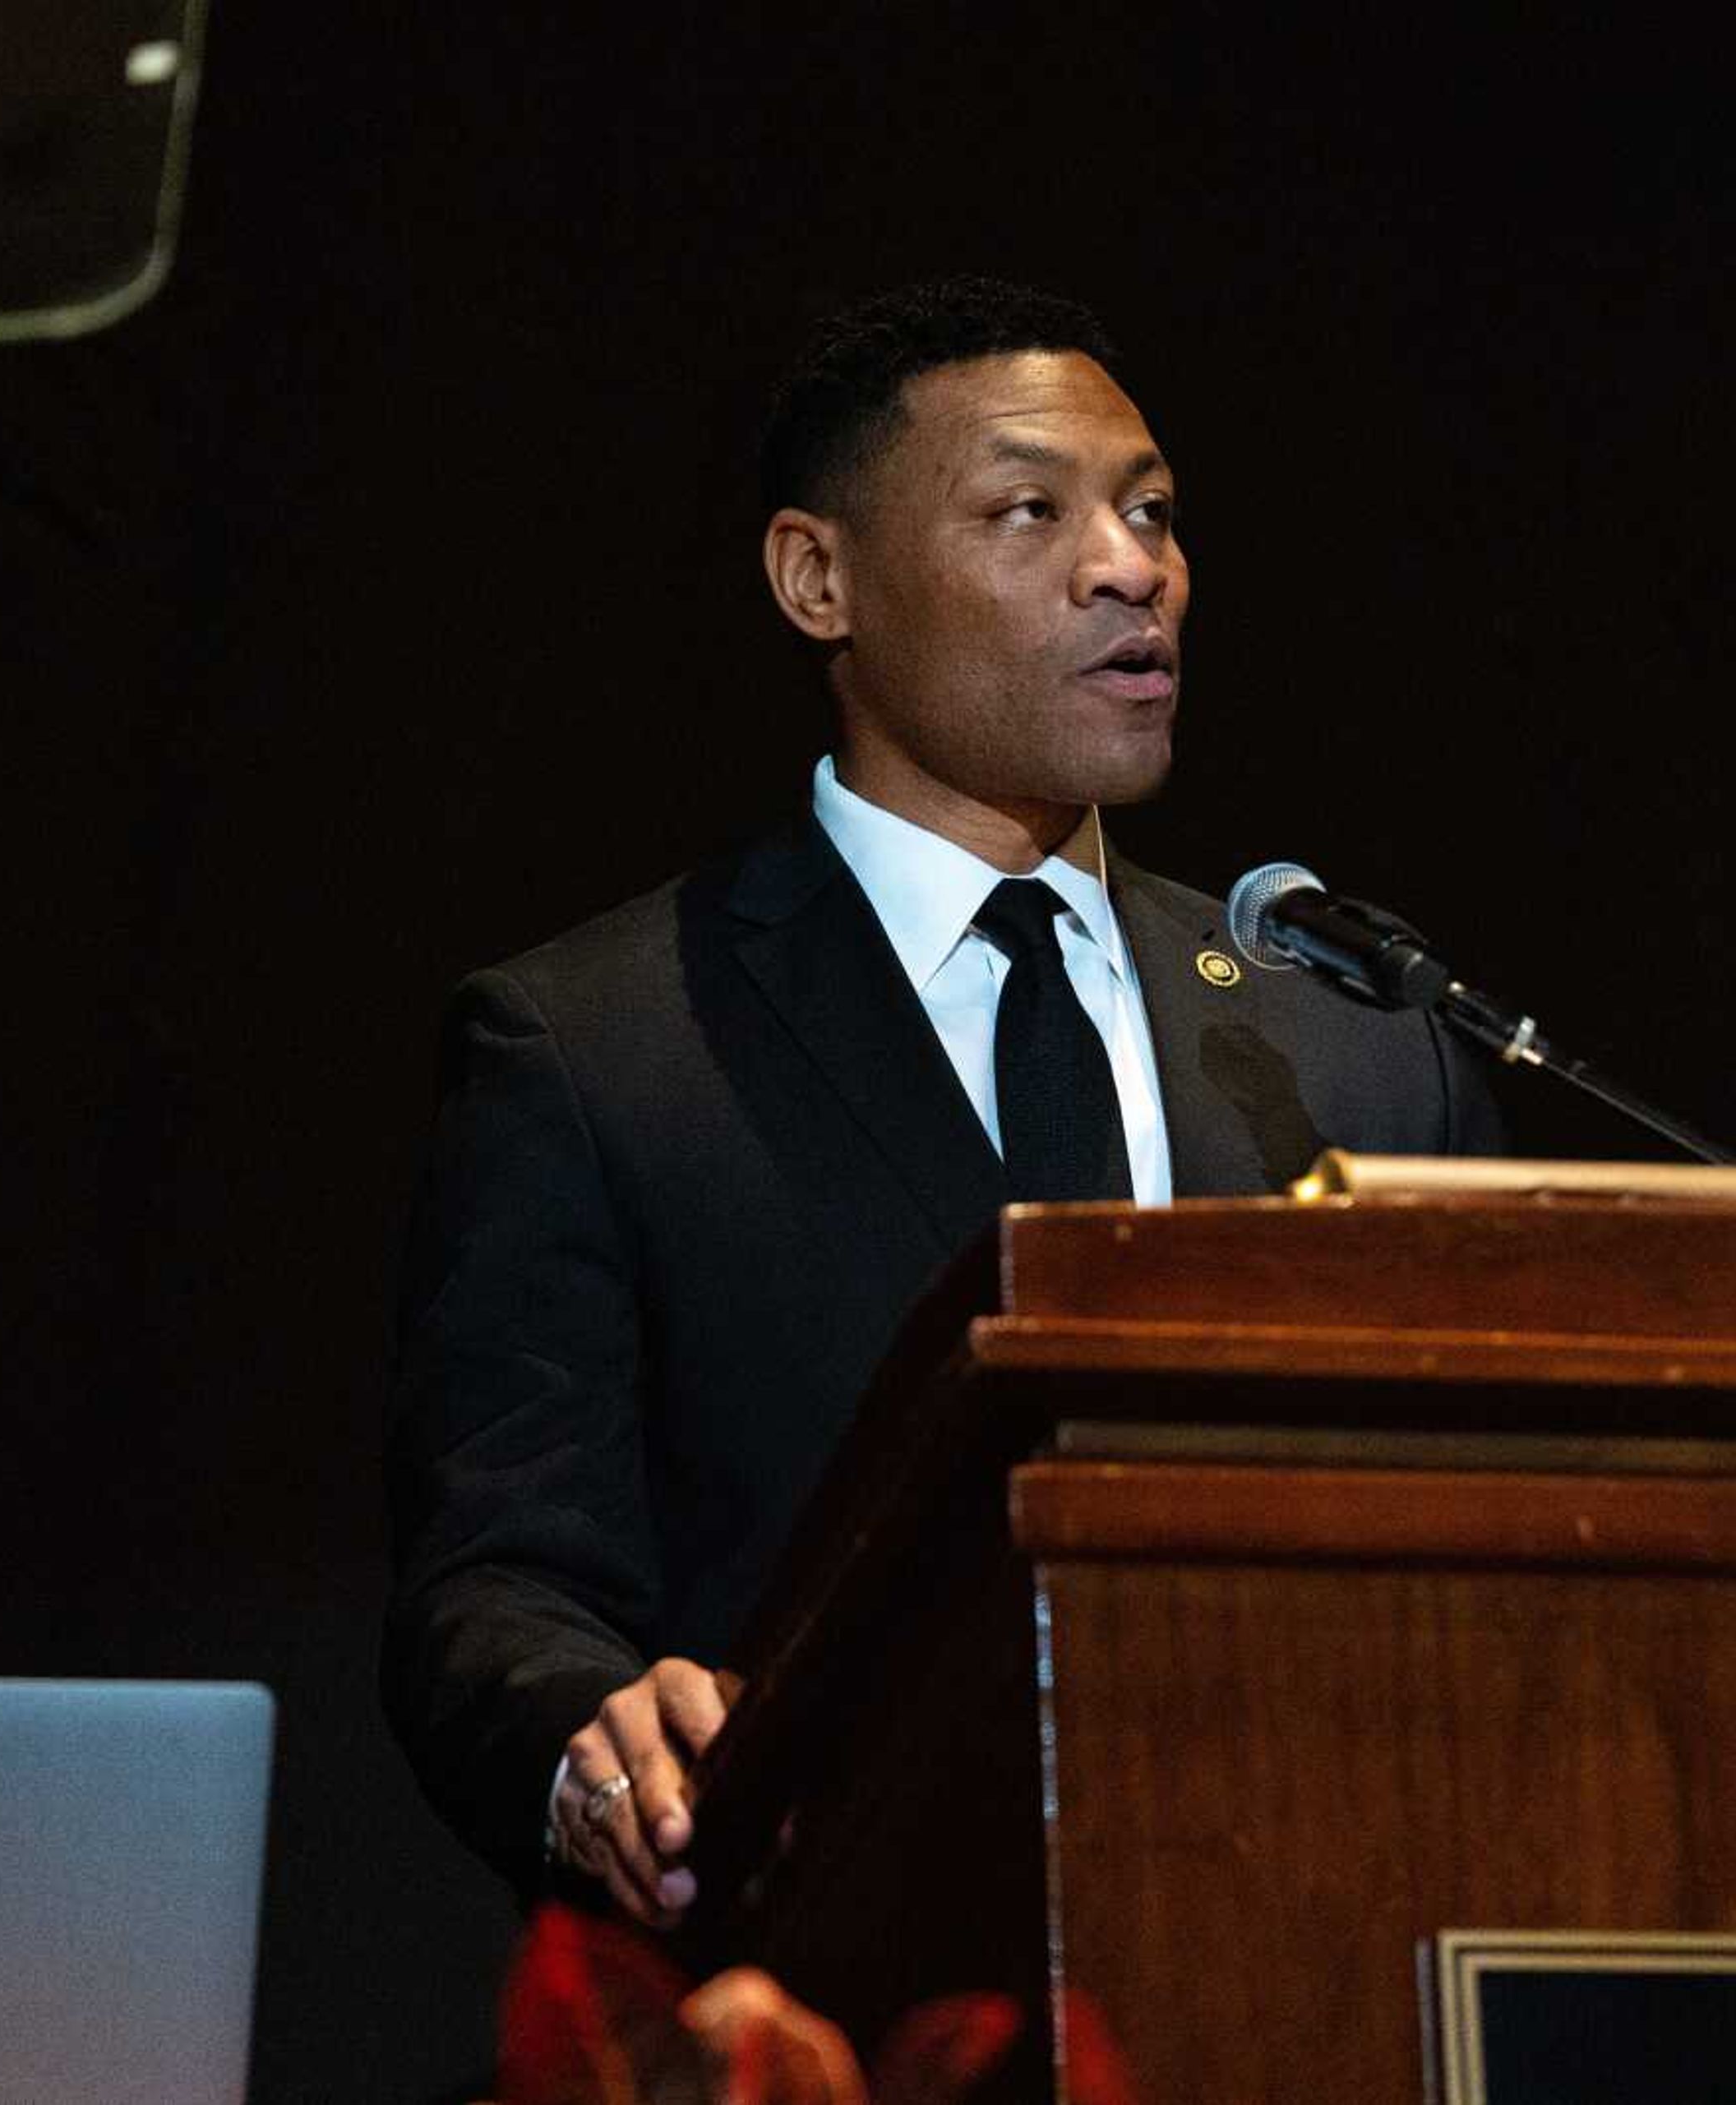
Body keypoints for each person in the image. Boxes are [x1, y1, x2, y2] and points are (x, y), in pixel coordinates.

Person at [385, 277, 1504, 1928]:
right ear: (817, 578)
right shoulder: (600, 1050)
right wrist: (589, 1743)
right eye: (1030, 510)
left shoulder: (1352, 1048)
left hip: (1311, 1943)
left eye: (1150, 511)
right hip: (837, 1973)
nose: (1131, 566)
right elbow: (501, 1582)